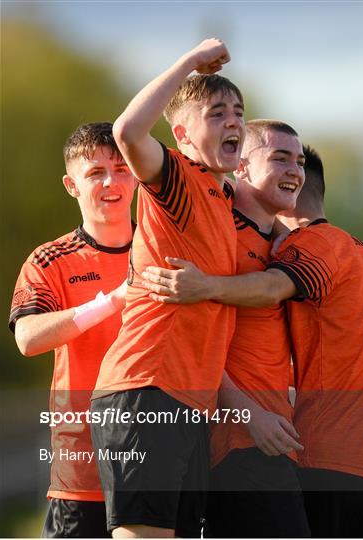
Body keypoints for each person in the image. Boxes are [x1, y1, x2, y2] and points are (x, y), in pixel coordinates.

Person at [142, 145, 363, 538]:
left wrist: (203, 286)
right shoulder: (354, 248)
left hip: (337, 462)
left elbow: (272, 287)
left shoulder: (316, 244)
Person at [90, 39, 245, 538]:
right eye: (217, 112)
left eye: (239, 113)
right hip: (146, 391)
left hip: (187, 402)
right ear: (181, 134)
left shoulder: (222, 200)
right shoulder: (180, 177)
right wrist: (189, 64)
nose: (233, 122)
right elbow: (128, 131)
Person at [9, 122, 136, 538]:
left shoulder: (166, 252)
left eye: (120, 169)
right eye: (95, 172)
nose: (110, 181)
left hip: (160, 456)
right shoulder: (51, 259)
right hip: (82, 465)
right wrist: (110, 302)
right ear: (71, 185)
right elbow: (27, 338)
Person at [202, 119, 310, 538]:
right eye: (280, 158)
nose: (295, 171)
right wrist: (249, 415)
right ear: (241, 167)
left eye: (298, 162)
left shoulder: (285, 242)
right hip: (239, 440)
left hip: (275, 436)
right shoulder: (218, 233)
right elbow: (196, 341)